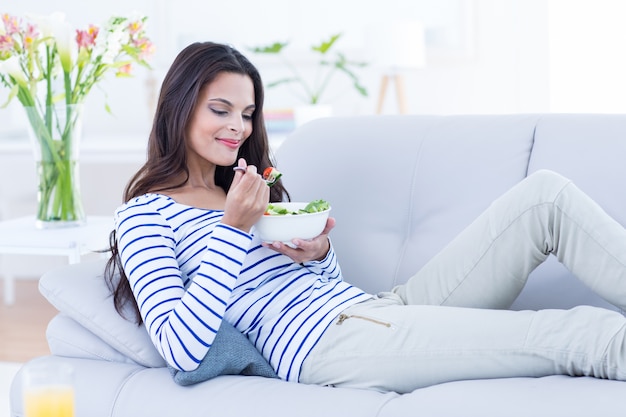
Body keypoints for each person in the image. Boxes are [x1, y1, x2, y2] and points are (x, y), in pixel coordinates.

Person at [105, 41, 626, 394]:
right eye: (221, 110)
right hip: (329, 346)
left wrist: (319, 254)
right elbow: (181, 347)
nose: (238, 127)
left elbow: (312, 283)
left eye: (246, 114)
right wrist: (233, 228)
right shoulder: (145, 217)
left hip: (375, 307)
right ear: (178, 106)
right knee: (583, 334)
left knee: (544, 198)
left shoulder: (244, 187)